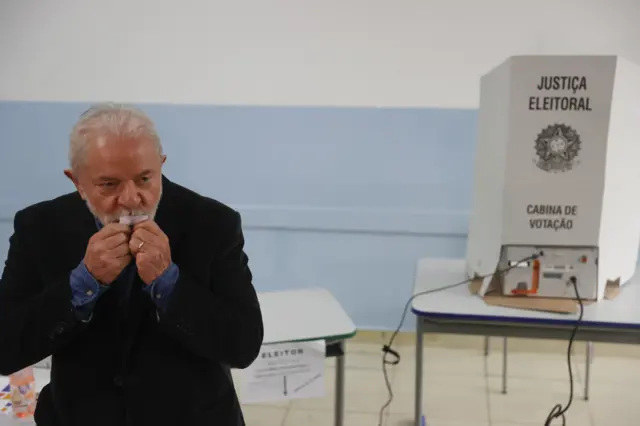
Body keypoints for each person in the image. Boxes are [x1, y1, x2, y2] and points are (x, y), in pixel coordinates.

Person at [0, 104, 264, 426]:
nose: (130, 198)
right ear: (77, 181)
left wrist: (169, 282)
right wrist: (82, 283)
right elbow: (6, 347)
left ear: (161, 165)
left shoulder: (213, 224)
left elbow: (243, 345)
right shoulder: (39, 227)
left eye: (145, 178)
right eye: (108, 184)